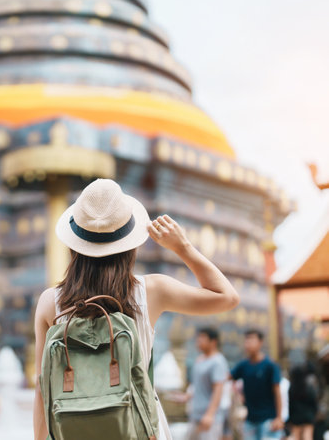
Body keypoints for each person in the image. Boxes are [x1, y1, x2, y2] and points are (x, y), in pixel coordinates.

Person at [33, 179, 240, 440]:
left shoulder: (50, 302)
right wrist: (182, 247)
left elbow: (43, 389)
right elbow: (227, 297)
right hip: (141, 430)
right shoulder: (152, 291)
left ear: (75, 244)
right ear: (129, 245)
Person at [230, 329, 283, 440]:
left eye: (252, 340)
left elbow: (277, 392)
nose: (248, 344)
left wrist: (279, 417)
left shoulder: (270, 365)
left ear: (260, 342)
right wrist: (239, 394)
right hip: (250, 419)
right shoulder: (243, 365)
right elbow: (227, 378)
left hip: (268, 419)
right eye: (246, 341)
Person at [187, 327, 229, 440]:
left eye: (202, 339)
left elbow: (218, 389)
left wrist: (210, 415)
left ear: (213, 342)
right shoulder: (199, 359)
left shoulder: (218, 361)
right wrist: (186, 397)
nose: (198, 342)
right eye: (198, 339)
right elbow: (198, 386)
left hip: (210, 418)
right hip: (195, 414)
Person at [288, 364, 318, 440]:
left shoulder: (291, 388)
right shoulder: (309, 387)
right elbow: (314, 403)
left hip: (296, 417)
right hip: (308, 416)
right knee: (307, 436)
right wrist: (314, 414)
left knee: (296, 437)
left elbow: (290, 404)